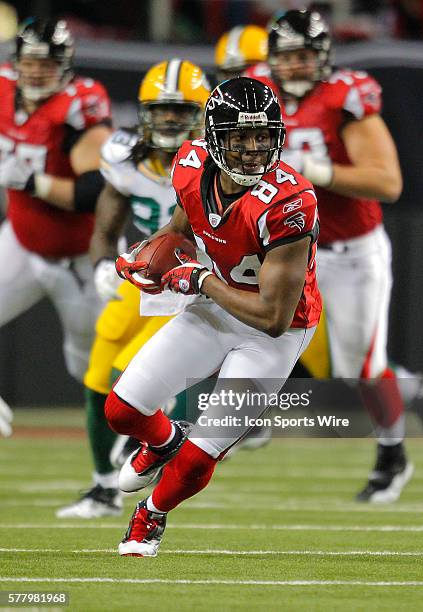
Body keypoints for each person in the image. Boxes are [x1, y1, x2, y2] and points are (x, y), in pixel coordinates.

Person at [104, 76, 321, 557]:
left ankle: (151, 515)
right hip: (215, 308)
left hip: (277, 332)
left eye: (262, 137)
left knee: (203, 452)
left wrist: (199, 280)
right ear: (214, 138)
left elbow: (272, 319)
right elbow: (183, 227)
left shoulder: (289, 202)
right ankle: (162, 442)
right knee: (121, 410)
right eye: (240, 138)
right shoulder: (189, 164)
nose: (251, 149)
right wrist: (149, 254)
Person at [245, 8, 413, 502]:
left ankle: (392, 451)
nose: (295, 66)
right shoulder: (257, 91)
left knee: (357, 371)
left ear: (322, 57)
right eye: (287, 56)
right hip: (288, 249)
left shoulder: (345, 98)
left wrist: (323, 170)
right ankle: (237, 426)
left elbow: (389, 182)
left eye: (304, 55)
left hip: (349, 251)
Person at [56, 59, 211, 519]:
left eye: (181, 110)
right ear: (143, 112)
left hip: (190, 281)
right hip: (142, 277)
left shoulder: (217, 162)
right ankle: (103, 487)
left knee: (128, 374)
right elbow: (106, 224)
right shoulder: (124, 156)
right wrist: (103, 263)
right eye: (160, 110)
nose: (169, 119)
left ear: (202, 115)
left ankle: (159, 449)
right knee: (98, 372)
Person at [0, 19, 112, 394]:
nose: (35, 72)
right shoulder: (1, 87)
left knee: (88, 361)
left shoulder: (79, 104)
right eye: (29, 62)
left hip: (85, 255)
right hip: (22, 239)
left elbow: (94, 192)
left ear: (64, 66)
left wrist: (33, 182)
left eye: (45, 64)